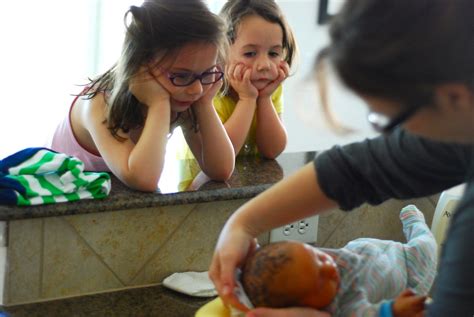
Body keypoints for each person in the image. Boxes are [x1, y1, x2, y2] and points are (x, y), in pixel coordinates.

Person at [209, 0, 474, 316]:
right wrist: (241, 224)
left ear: (455, 97)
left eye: (388, 118)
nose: (398, 135)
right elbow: (357, 170)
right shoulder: (460, 126)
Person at [48, 0, 235, 192]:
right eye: (181, 75)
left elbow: (221, 170)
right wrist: (159, 104)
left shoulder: (186, 95)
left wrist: (205, 104)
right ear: (139, 64)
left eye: (206, 74)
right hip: (55, 206)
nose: (197, 89)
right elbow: (144, 179)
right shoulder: (98, 103)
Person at [239, 205, 435, 317]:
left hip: (366, 249)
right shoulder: (343, 304)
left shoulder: (300, 263)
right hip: (407, 270)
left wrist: (249, 254)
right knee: (427, 246)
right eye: (320, 281)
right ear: (305, 306)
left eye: (319, 257)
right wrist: (392, 311)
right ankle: (415, 223)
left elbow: (262, 269)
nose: (330, 269)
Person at [216, 0, 298, 158]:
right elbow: (221, 156)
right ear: (222, 53)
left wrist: (264, 98)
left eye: (273, 54)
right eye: (250, 53)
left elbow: (271, 151)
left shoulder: (269, 90)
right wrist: (247, 99)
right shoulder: (211, 93)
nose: (264, 65)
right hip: (197, 179)